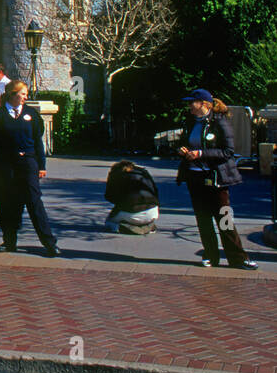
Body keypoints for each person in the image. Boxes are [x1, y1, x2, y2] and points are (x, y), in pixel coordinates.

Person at [176, 89, 256, 269]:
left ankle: (238, 258)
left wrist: (201, 153)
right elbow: (182, 142)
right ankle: (210, 255)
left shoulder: (220, 122)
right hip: (194, 176)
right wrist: (182, 150)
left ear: (204, 104)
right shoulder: (190, 123)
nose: (189, 106)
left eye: (192, 102)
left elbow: (228, 152)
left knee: (224, 218)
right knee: (203, 219)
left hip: (215, 177)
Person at [0, 80, 60, 256]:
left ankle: (49, 243)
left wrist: (41, 164)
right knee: (8, 203)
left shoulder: (31, 114)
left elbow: (38, 142)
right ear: (12, 94)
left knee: (34, 201)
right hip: (5, 164)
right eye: (22, 93)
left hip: (28, 163)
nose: (25, 97)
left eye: (26, 94)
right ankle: (9, 241)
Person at [104, 160, 159, 234]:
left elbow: (109, 196)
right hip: (153, 212)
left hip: (131, 212)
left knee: (108, 222)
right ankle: (147, 225)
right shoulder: (143, 172)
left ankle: (121, 227)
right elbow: (155, 191)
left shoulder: (116, 174)